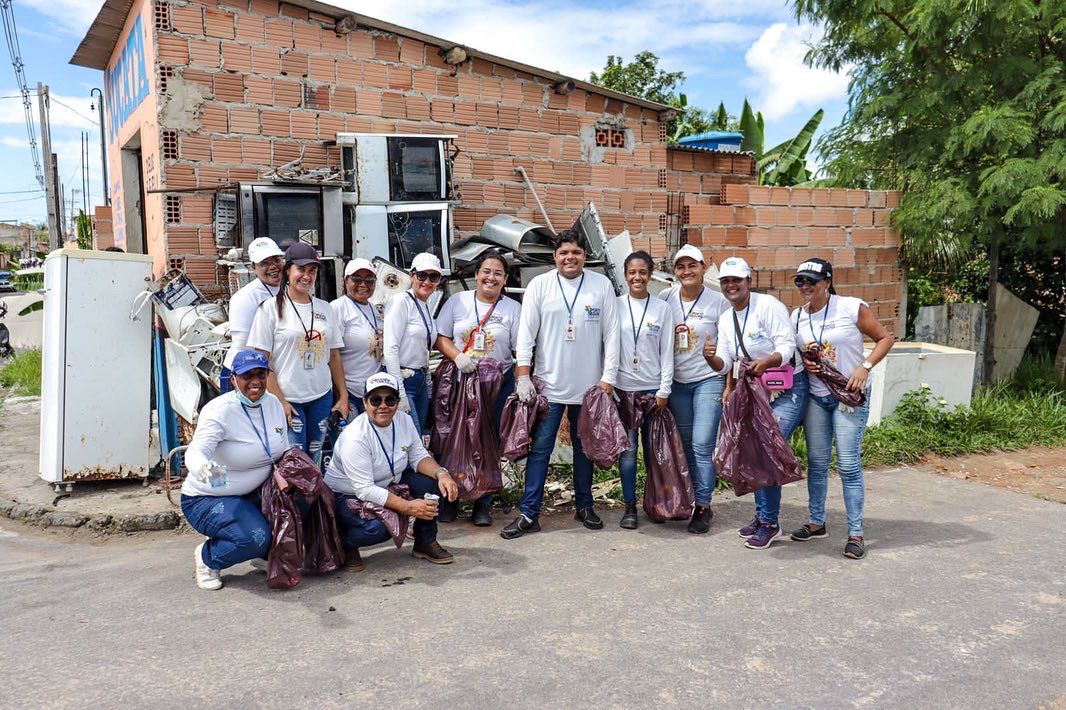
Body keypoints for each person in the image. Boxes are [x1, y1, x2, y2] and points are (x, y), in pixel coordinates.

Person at [501, 228, 620, 539]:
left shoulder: (601, 285)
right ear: (555, 257)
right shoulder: (540, 286)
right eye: (564, 253)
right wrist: (523, 375)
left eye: (576, 252)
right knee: (540, 449)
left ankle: (584, 506)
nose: (570, 257)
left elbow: (613, 335)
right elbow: (526, 335)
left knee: (584, 449)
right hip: (548, 387)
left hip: (589, 387)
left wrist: (608, 379)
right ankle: (529, 513)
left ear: (585, 256)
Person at [789, 258, 894, 559]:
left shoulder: (850, 307)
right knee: (817, 462)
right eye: (800, 282)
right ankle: (816, 521)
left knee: (848, 465)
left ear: (827, 282)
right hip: (817, 397)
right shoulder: (798, 316)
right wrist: (806, 361)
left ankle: (856, 533)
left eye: (811, 281)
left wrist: (865, 366)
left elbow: (885, 338)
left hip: (849, 395)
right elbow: (799, 351)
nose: (805, 287)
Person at [709, 256, 808, 551]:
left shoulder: (768, 306)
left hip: (788, 387)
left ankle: (770, 523)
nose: (731, 286)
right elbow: (726, 360)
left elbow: (787, 348)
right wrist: (709, 357)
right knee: (752, 449)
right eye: (726, 281)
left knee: (766, 450)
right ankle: (762, 515)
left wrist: (766, 362)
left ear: (748, 282)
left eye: (736, 280)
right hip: (754, 389)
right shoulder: (727, 318)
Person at [324, 372, 459, 569]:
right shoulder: (355, 437)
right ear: (365, 402)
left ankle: (424, 542)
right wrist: (408, 507)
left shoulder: (403, 420)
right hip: (346, 496)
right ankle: (344, 543)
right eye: (376, 400)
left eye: (390, 399)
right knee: (381, 528)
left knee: (432, 485)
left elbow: (418, 456)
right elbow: (364, 490)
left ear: (397, 401)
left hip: (387, 483)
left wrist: (442, 474)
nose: (383, 406)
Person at [180, 351, 289, 591]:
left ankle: (264, 553)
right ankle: (208, 557)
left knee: (303, 500)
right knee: (254, 538)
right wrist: (213, 475)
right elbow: (195, 453)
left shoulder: (273, 404)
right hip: (208, 498)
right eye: (247, 375)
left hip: (253, 492)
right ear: (234, 379)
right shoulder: (219, 411)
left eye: (261, 374)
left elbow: (283, 446)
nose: (255, 381)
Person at [434, 249, 521, 526]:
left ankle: (482, 503)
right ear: (476, 275)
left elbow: (522, 349)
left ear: (505, 279)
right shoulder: (457, 301)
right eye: (486, 271)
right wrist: (458, 357)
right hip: (461, 384)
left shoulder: (513, 309)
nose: (491, 277)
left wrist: (523, 380)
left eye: (497, 273)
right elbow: (440, 336)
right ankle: (451, 501)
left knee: (488, 443)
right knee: (454, 442)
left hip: (498, 387)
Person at [247, 243, 347, 466]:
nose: (307, 276)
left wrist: (343, 396)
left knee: (316, 455)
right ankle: (295, 502)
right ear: (288, 271)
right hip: (288, 398)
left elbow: (334, 356)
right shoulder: (269, 309)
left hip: (321, 396)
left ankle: (316, 500)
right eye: (301, 269)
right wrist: (280, 400)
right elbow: (262, 362)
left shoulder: (325, 308)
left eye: (312, 271)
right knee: (294, 461)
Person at [658, 244, 730, 533]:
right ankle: (687, 499)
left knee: (702, 442)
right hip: (677, 383)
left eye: (692, 266)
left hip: (707, 379)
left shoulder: (718, 301)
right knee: (686, 444)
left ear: (703, 268)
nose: (686, 272)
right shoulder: (665, 298)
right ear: (675, 271)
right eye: (680, 267)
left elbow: (730, 346)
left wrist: (729, 381)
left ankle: (703, 505)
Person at [615, 250, 675, 529]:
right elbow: (608, 350)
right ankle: (629, 508)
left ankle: (655, 504)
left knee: (655, 452)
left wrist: (664, 390)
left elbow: (667, 354)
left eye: (642, 272)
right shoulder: (615, 306)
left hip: (653, 392)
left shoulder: (662, 309)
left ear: (650, 275)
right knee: (627, 452)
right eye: (631, 272)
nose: (637, 277)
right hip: (624, 390)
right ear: (625, 275)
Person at [383, 252, 442, 435]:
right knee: (411, 440)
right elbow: (390, 349)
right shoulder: (401, 301)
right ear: (411, 276)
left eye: (433, 276)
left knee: (416, 439)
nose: (427, 281)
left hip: (421, 380)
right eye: (422, 275)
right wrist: (399, 392)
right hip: (403, 380)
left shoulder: (425, 304)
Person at [221, 237, 285, 393]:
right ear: (253, 267)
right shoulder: (245, 297)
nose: (273, 267)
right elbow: (247, 346)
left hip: (270, 372)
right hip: (244, 372)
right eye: (264, 263)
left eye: (276, 260)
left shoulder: (290, 289)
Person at [330, 258, 384, 417]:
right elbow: (333, 354)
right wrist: (342, 395)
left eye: (369, 280)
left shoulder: (373, 309)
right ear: (345, 281)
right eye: (356, 279)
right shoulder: (338, 307)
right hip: (349, 393)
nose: (363, 284)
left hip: (371, 393)